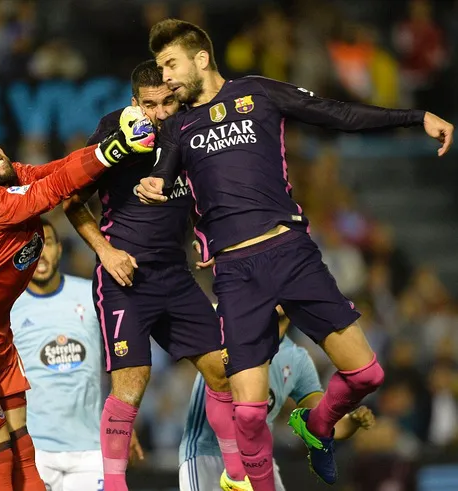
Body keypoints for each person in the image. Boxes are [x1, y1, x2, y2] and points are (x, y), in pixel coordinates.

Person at [136, 18, 453, 491]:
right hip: (237, 273)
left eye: (170, 64)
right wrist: (152, 185)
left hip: (292, 253)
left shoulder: (259, 93)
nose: (166, 77)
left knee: (367, 374)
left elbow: (336, 113)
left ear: (201, 58)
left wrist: (414, 117)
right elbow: (163, 178)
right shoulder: (178, 127)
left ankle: (319, 424)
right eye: (160, 68)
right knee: (247, 413)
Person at [0, 112, 154, 491]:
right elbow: (52, 191)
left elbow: (57, 169)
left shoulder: (11, 175)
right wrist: (114, 150)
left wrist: (107, 147)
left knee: (24, 451)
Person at [64, 60, 246, 491]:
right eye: (150, 105)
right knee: (132, 382)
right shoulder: (115, 134)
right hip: (123, 280)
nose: (161, 113)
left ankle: (236, 476)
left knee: (224, 370)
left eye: (167, 102)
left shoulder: (191, 128)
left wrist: (206, 237)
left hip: (175, 276)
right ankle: (114, 487)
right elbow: (72, 200)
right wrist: (106, 253)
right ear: (134, 103)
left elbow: (207, 191)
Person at [0, 219, 144, 491]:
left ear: (59, 249)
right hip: (34, 450)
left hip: (91, 448)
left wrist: (122, 424)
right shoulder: (6, 309)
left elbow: (118, 362)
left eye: (46, 243)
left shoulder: (91, 295)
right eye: (29, 247)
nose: (39, 253)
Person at [179, 307, 376, 491]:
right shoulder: (227, 324)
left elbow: (320, 421)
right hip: (205, 454)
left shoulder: (297, 360)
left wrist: (351, 421)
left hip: (256, 461)